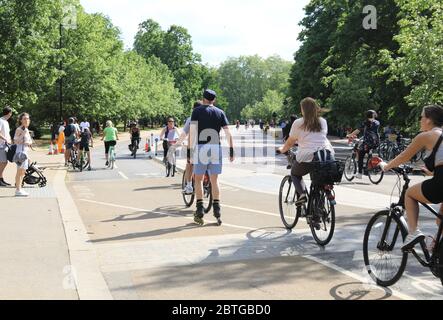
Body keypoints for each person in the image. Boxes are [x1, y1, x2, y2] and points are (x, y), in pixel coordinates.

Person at [381, 105, 443, 250]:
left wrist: (386, 166)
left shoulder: (427, 136)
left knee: (409, 194)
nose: (420, 120)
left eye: (421, 117)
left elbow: (404, 156)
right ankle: (437, 247)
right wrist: (433, 173)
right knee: (440, 220)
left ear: (429, 120)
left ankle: (413, 232)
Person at [278, 97, 334, 207]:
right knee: (320, 181)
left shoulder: (298, 123)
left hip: (307, 156)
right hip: (326, 155)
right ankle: (319, 210)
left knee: (295, 173)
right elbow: (319, 138)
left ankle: (302, 194)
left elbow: (290, 142)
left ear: (303, 109)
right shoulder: (323, 121)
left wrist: (282, 149)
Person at [190, 89, 234, 226]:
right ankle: (217, 210)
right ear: (214, 100)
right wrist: (231, 150)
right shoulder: (220, 112)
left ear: (203, 98)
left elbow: (192, 132)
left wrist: (189, 153)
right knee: (215, 180)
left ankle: (200, 210)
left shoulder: (196, 111)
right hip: (216, 147)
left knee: (198, 179)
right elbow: (228, 133)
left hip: (201, 147)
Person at [176, 101, 202, 195]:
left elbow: (184, 133)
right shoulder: (207, 117)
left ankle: (189, 186)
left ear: (193, 109)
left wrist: (178, 142)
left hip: (193, 146)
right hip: (208, 146)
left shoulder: (191, 119)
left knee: (189, 164)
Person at [347, 110, 380, 179]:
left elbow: (357, 131)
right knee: (369, 154)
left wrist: (350, 135)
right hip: (376, 142)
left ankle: (359, 173)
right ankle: (366, 169)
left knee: (361, 155)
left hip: (367, 142)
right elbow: (372, 131)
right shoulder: (377, 122)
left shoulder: (366, 122)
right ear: (374, 115)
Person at [14, 113, 33, 197]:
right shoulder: (19, 129)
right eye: (24, 119)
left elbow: (29, 141)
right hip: (20, 153)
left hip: (25, 152)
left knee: (23, 172)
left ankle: (20, 188)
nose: (26, 120)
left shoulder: (26, 129)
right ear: (21, 120)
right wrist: (23, 134)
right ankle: (18, 190)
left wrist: (28, 142)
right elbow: (15, 140)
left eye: (28, 118)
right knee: (19, 171)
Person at [0, 106, 13, 187]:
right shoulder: (1, 121)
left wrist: (10, 140)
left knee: (4, 162)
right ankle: (0, 179)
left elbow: (6, 133)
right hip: (1, 145)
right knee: (3, 162)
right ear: (9, 113)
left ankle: (1, 179)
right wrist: (5, 139)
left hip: (6, 145)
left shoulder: (6, 122)